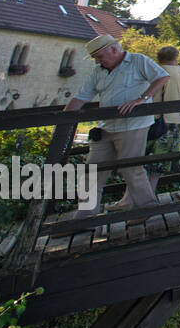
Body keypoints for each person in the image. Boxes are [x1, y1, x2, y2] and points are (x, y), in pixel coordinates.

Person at [63, 34, 169, 215]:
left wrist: (142, 99)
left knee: (131, 169)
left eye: (99, 56)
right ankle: (85, 218)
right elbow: (81, 97)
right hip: (106, 127)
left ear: (113, 50)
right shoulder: (99, 71)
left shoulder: (137, 61)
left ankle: (146, 210)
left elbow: (162, 77)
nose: (97, 61)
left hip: (133, 125)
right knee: (91, 172)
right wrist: (62, 119)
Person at [149, 45, 180, 193]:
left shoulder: (155, 71)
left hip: (154, 120)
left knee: (142, 160)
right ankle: (150, 193)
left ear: (159, 58)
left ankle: (141, 197)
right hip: (175, 121)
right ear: (176, 57)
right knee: (159, 164)